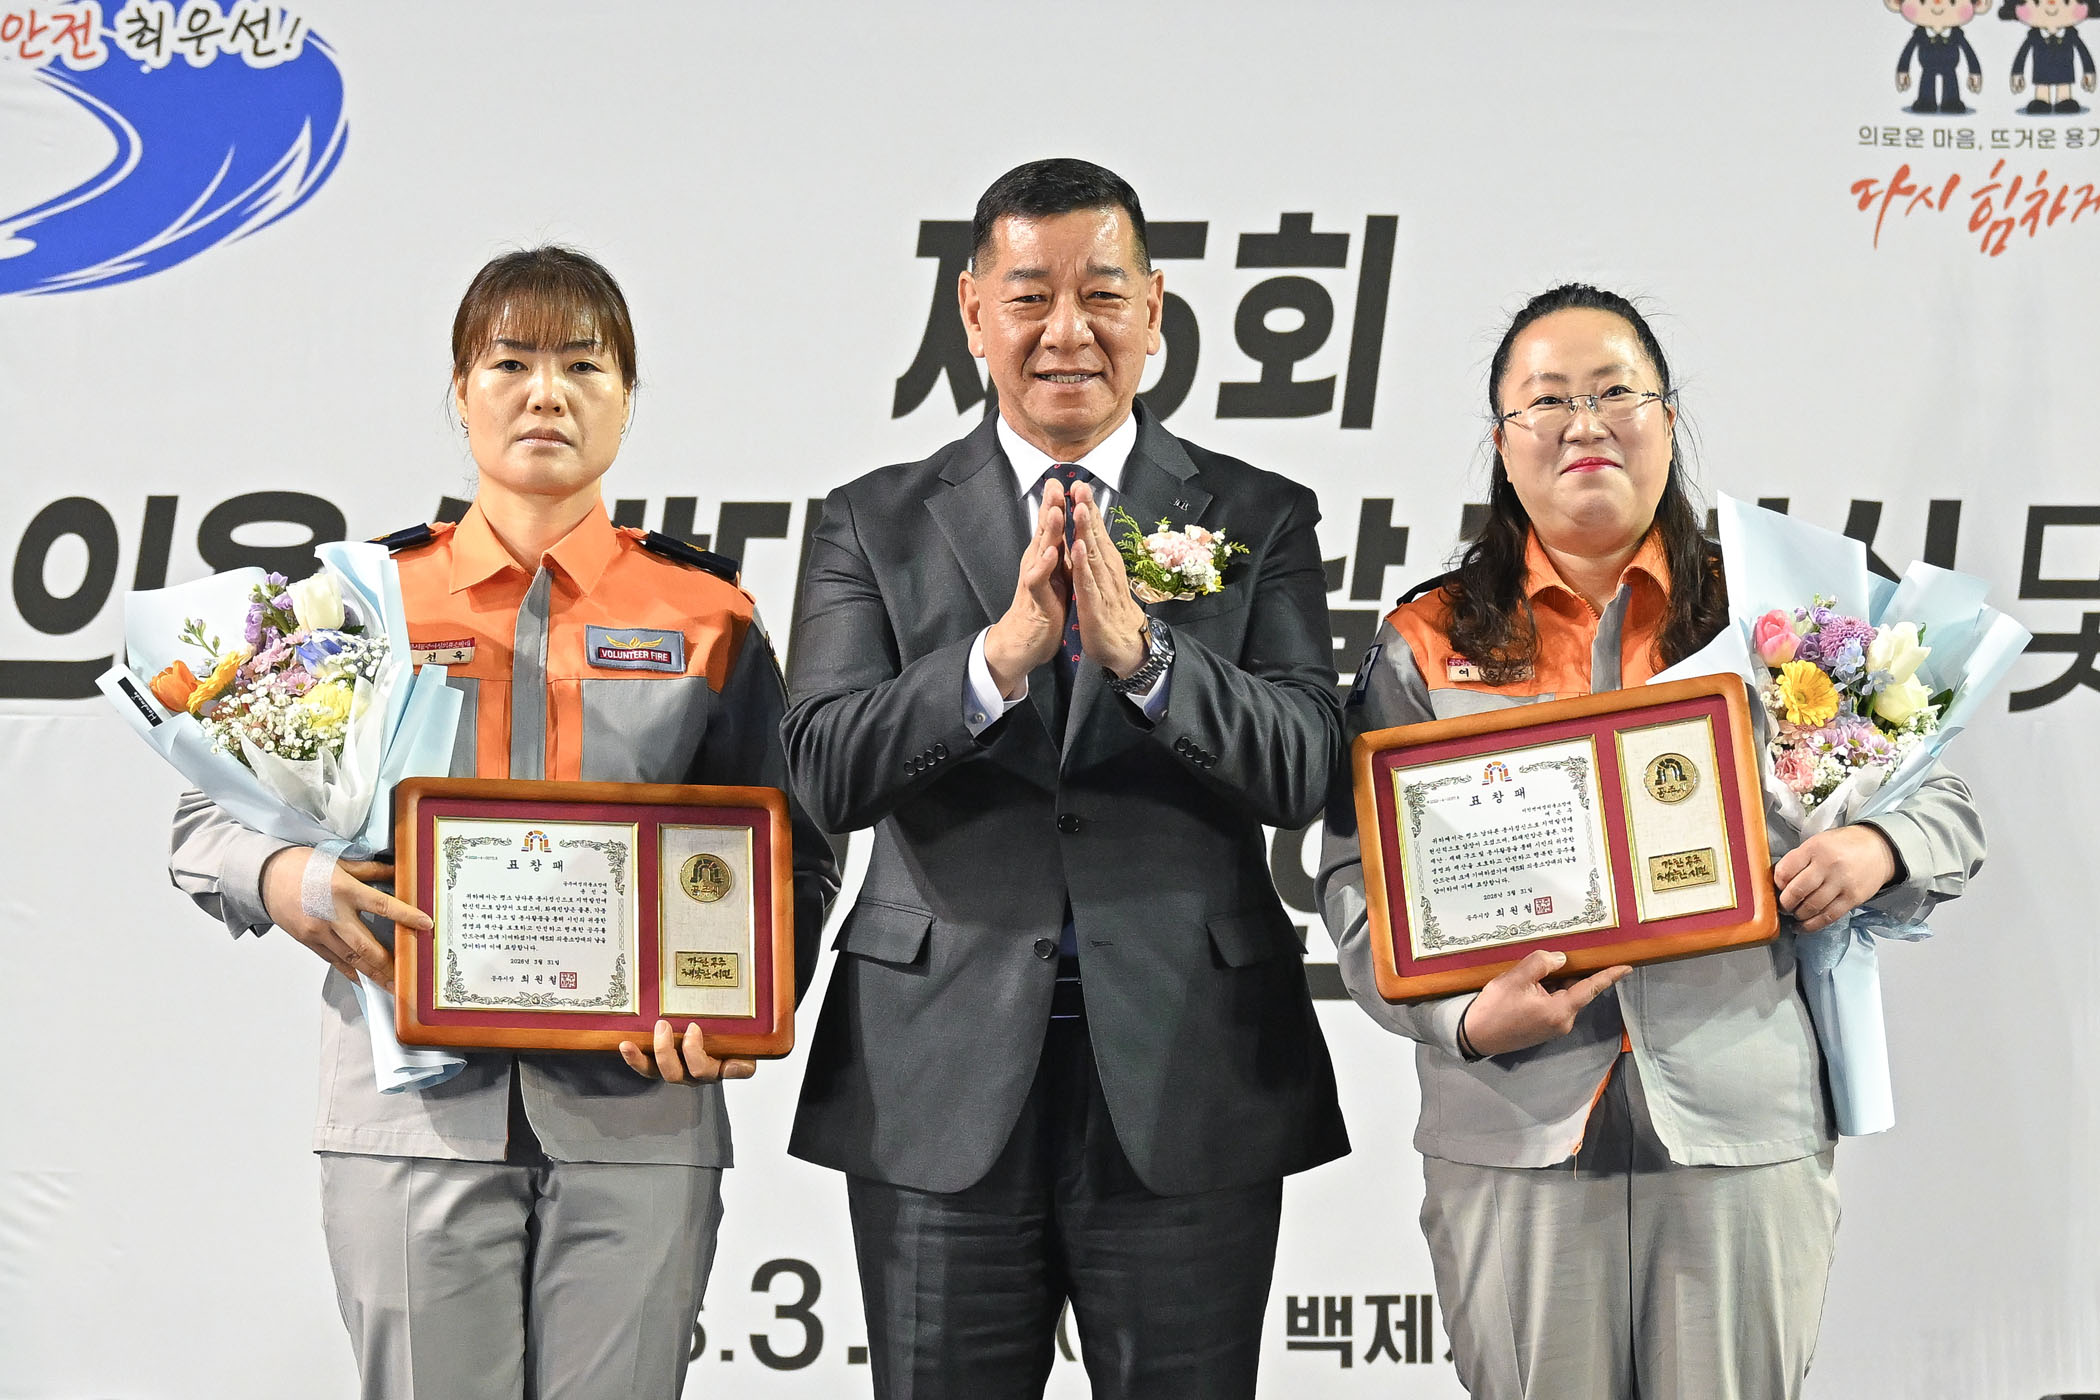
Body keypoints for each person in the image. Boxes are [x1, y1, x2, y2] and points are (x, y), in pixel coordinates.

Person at [168, 245, 839, 1400]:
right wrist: (295, 882)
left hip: (641, 1119)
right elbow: (203, 816)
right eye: (511, 362)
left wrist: (740, 1011)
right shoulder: (362, 599)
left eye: (584, 364)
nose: (547, 394)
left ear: (627, 396)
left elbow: (791, 851)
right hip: (408, 1113)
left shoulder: (706, 611)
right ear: (461, 390)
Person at [1317, 284, 1985, 1400]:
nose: (1585, 423)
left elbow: (1945, 802)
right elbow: (1356, 885)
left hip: (1738, 1120)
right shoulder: (1427, 638)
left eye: (1616, 392)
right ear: (1502, 442)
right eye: (1548, 399)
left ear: (1668, 419)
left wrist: (1878, 846)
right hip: (1517, 1129)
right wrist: (1462, 1019)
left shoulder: (1779, 612)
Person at [782, 157, 1348, 1400]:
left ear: (1156, 309)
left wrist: (1150, 661)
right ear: (973, 312)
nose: (1067, 331)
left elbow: (1308, 761)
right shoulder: (871, 520)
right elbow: (820, 767)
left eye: (1102, 293)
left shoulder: (1259, 513)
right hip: (937, 1071)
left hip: (1190, 1064)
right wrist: (994, 662)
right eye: (1030, 295)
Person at [1886, 0, 1989, 114]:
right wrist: (1903, 70)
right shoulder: (1920, 34)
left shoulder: (1956, 34)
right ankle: (1926, 101)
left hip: (1949, 66)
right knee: (1927, 83)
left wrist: (1974, 72)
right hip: (1928, 66)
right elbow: (1908, 52)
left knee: (1950, 83)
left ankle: (1951, 102)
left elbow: (1969, 53)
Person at [2002, 0, 2096, 114]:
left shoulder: (2071, 35)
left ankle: (2064, 99)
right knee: (2042, 86)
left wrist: (2089, 71)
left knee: (2064, 86)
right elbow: (2022, 55)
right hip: (2042, 71)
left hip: (2064, 71)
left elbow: (2084, 53)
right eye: (2037, 2)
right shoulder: (2034, 36)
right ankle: (2042, 100)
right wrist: (2017, 73)